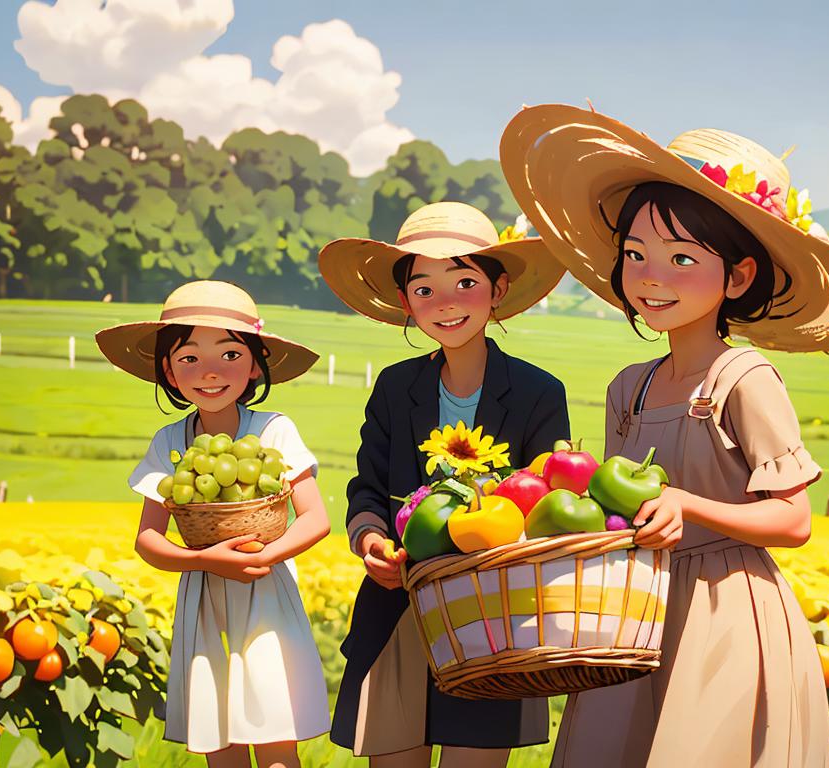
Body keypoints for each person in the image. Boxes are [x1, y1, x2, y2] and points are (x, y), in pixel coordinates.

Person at [500, 105, 829, 767]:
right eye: (637, 256)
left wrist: (688, 507)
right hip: (635, 613)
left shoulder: (744, 378)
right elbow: (618, 512)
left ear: (737, 276)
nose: (653, 276)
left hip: (724, 612)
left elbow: (793, 520)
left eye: (681, 258)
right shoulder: (631, 387)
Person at [320, 201, 571, 767]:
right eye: (424, 289)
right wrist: (370, 542)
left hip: (492, 618)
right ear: (406, 301)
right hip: (398, 605)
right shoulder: (393, 387)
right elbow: (367, 487)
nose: (445, 303)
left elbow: (549, 500)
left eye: (464, 281)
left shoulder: (539, 393)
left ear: (497, 289)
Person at [96, 280, 331, 768]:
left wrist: (264, 557)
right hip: (203, 597)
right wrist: (203, 560)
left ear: (254, 364)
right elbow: (147, 539)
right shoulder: (169, 442)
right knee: (218, 734)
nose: (209, 372)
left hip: (266, 595)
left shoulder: (274, 429)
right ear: (168, 370)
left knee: (273, 730)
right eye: (188, 359)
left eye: (229, 355)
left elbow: (316, 519)